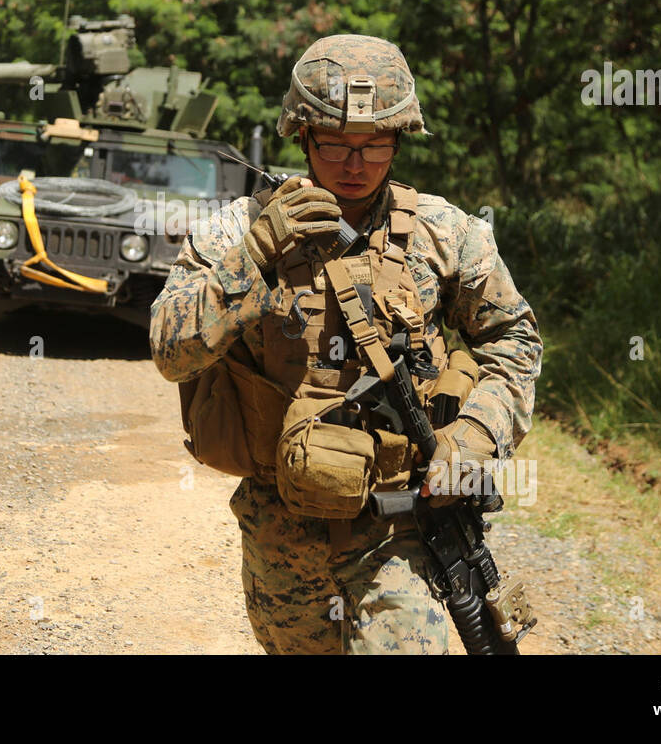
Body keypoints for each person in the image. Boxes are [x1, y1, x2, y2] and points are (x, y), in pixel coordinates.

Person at [148, 35, 543, 654]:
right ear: (301, 137)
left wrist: (474, 438)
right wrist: (254, 257)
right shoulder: (239, 229)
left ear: (399, 140)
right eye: (334, 143)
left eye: (374, 144)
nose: (354, 162)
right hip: (283, 530)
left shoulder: (445, 233)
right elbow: (171, 349)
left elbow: (513, 338)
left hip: (403, 521)